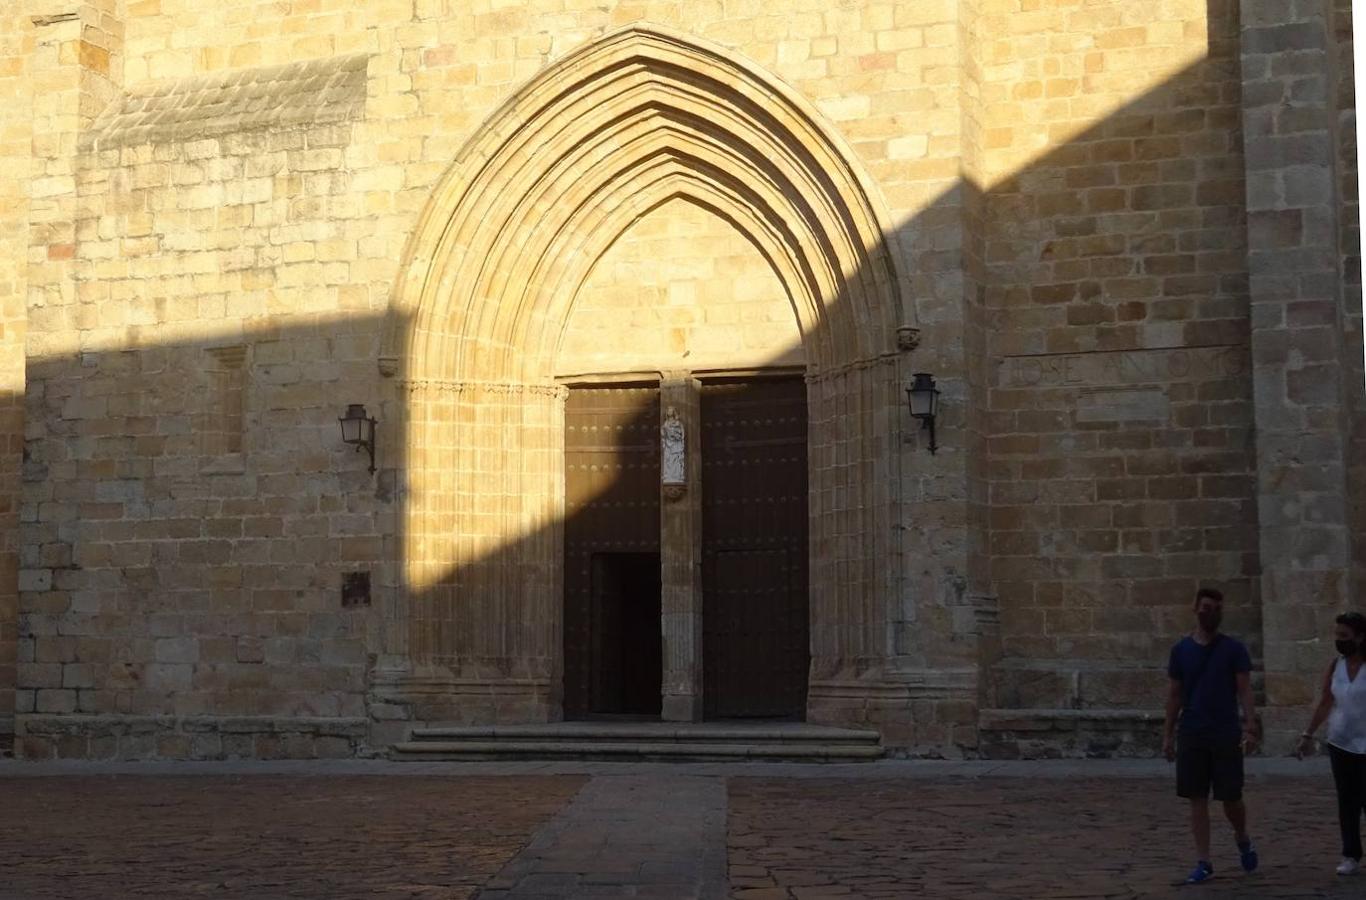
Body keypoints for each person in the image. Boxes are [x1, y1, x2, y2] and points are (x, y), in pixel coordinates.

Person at [1163, 587, 1260, 884]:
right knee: (1197, 798)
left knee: (1231, 797)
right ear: (1195, 608)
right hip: (1193, 731)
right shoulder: (1181, 651)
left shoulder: (1233, 650)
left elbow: (1244, 690)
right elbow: (1175, 694)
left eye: (1215, 609)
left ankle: (1241, 836)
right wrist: (1168, 734)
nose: (1209, 613)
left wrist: (1250, 725)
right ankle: (1203, 860)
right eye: (1205, 607)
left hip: (1225, 730)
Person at [1296, 611, 1366, 876]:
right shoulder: (1335, 666)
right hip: (1341, 743)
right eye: (1337, 635)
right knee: (1347, 801)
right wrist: (1308, 734)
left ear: (1360, 637)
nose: (1339, 640)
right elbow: (1326, 701)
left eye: (1345, 636)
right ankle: (1350, 854)